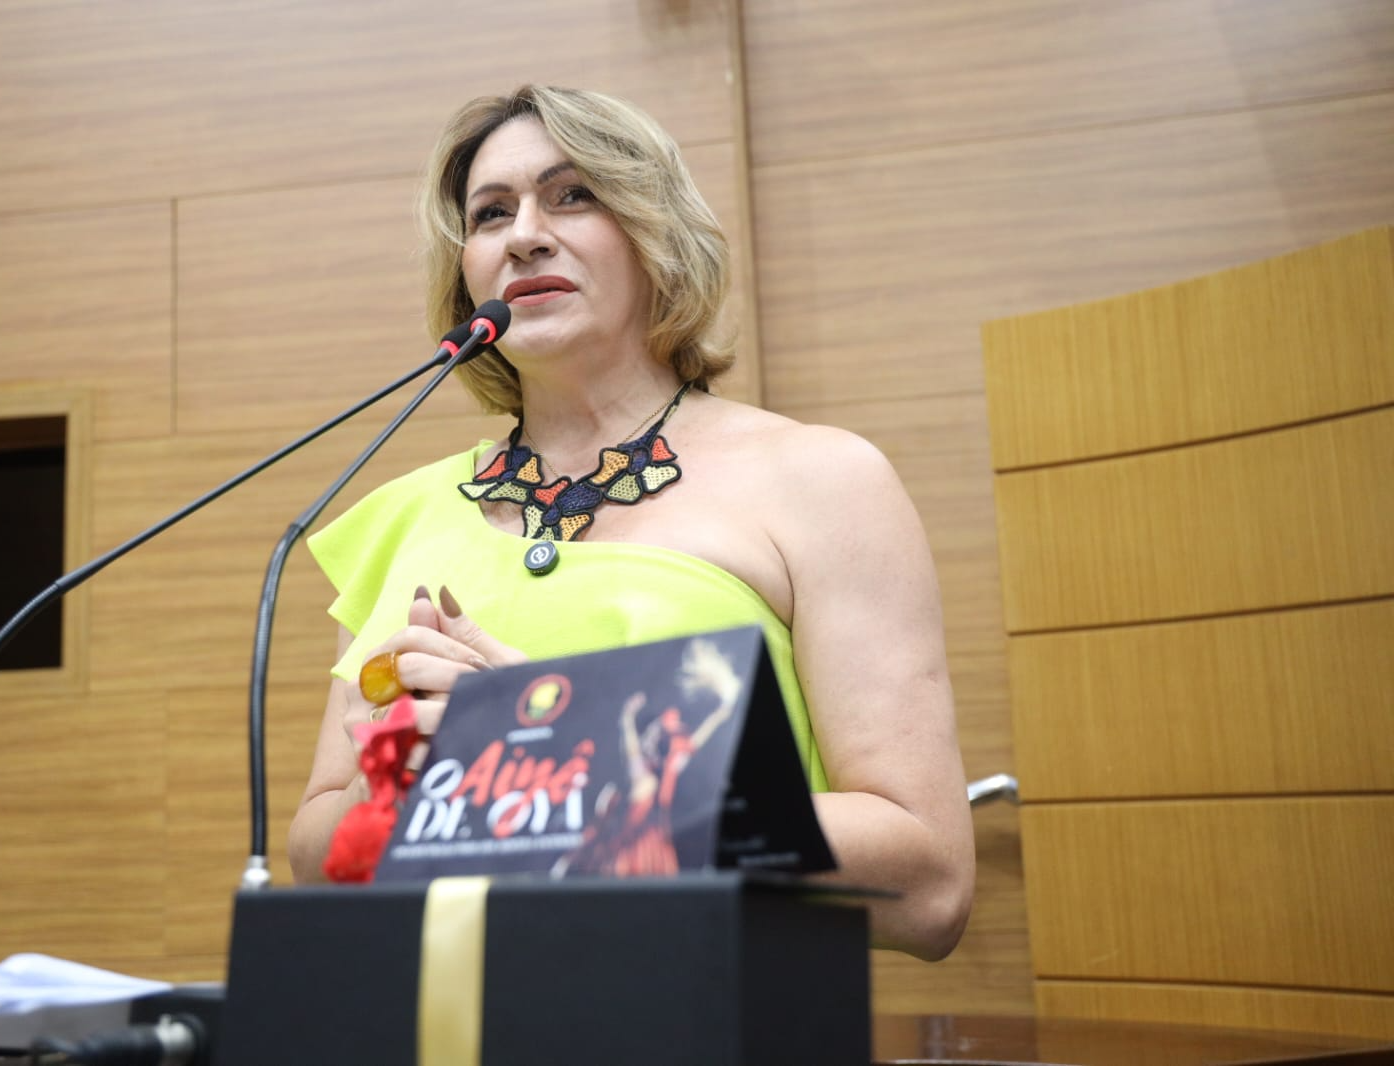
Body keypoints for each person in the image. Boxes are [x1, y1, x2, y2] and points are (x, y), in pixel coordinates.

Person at [288, 85, 974, 961]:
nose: (524, 234)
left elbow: (929, 886)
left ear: (657, 235)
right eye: (491, 213)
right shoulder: (402, 518)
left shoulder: (821, 482)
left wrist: (573, 769)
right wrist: (389, 791)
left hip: (700, 1012)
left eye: (572, 195)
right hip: (439, 1013)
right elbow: (318, 859)